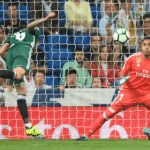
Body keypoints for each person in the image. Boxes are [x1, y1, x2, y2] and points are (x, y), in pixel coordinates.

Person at [76, 37, 150, 141]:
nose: (147, 47)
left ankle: (148, 128)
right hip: (129, 92)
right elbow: (121, 73)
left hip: (146, 93)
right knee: (108, 114)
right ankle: (86, 135)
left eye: (149, 45)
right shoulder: (133, 58)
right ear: (141, 46)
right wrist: (123, 78)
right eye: (145, 44)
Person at [0, 12, 56, 137]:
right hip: (22, 53)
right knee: (19, 76)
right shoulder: (31, 33)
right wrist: (46, 18)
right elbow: (30, 25)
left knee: (21, 93)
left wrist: (9, 66)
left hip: (11, 58)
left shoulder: (11, 36)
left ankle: (28, 127)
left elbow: (2, 51)